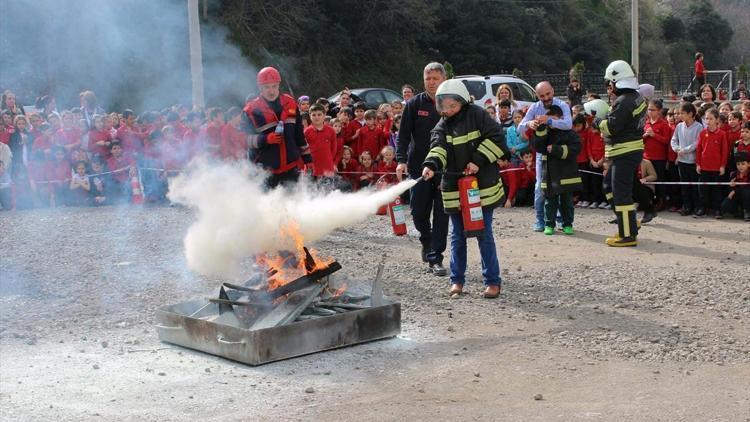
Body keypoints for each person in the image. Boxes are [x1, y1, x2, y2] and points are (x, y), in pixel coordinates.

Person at [421, 79, 508, 298]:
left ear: (463, 101)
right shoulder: (441, 126)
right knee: (457, 236)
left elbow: (497, 138)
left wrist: (477, 160)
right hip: (454, 190)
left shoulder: (478, 115)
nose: (448, 111)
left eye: (453, 106)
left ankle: (492, 281)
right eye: (444, 106)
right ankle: (457, 281)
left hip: (481, 188)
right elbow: (438, 147)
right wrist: (431, 166)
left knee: (483, 233)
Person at [395, 62, 450, 276]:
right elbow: (403, 137)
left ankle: (436, 257)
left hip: (445, 170)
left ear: (444, 79)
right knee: (418, 212)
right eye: (428, 78)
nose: (431, 82)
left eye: (435, 78)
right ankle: (426, 243)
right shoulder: (414, 104)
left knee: (442, 215)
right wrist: (401, 160)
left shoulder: (451, 103)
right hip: (419, 168)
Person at [596, 60, 647, 247]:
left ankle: (627, 235)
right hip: (628, 152)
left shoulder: (623, 102)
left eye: (610, 83)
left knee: (620, 193)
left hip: (625, 153)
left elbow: (611, 128)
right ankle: (630, 222)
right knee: (609, 187)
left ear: (617, 81)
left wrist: (598, 121)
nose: (609, 87)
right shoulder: (635, 97)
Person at [242, 66, 313, 188]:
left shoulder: (290, 103)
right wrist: (266, 139)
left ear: (279, 85)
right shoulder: (250, 110)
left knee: (293, 203)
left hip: (291, 167)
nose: (271, 91)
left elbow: (299, 134)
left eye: (274, 86)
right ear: (260, 87)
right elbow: (243, 140)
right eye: (267, 87)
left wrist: (308, 159)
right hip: (264, 171)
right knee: (268, 206)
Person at [518, 81, 573, 232]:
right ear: (537, 96)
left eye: (548, 94)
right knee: (539, 188)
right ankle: (540, 219)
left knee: (561, 187)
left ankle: (562, 219)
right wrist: (530, 124)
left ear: (553, 91)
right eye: (542, 96)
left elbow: (568, 124)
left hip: (559, 154)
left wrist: (549, 121)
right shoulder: (535, 107)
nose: (546, 98)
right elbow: (520, 126)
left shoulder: (562, 105)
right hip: (542, 156)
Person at [532, 105, 582, 235]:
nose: (550, 122)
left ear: (560, 118)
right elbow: (539, 147)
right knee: (550, 202)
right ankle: (549, 224)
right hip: (549, 174)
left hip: (566, 174)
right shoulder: (546, 132)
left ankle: (567, 224)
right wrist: (540, 130)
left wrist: (556, 150)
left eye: (553, 119)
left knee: (567, 202)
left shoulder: (570, 133)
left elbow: (576, 148)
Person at [671, 102, 704, 216]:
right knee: (684, 185)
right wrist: (676, 148)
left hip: (693, 161)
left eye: (682, 113)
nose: (680, 115)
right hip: (682, 161)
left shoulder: (699, 127)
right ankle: (686, 206)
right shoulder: (679, 126)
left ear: (690, 114)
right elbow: (674, 139)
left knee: (695, 186)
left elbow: (697, 143)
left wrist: (685, 150)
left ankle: (698, 207)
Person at [695, 108, 727, 218]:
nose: (708, 121)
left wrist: (722, 166)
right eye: (706, 118)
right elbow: (699, 149)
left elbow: (724, 152)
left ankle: (717, 209)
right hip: (704, 167)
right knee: (703, 190)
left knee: (716, 190)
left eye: (711, 118)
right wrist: (698, 164)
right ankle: (702, 208)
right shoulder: (703, 133)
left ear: (717, 120)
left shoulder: (722, 134)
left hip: (716, 168)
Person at [643, 99, 672, 210]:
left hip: (659, 157)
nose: (650, 112)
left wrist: (654, 135)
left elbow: (666, 140)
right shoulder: (646, 123)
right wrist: (646, 135)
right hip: (647, 157)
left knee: (659, 180)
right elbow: (641, 140)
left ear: (659, 111)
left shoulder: (664, 124)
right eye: (649, 109)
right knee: (647, 180)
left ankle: (661, 201)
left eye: (653, 110)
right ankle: (649, 201)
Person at [304, 104, 337, 178]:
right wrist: (308, 163)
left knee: (328, 189)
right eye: (314, 115)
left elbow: (334, 149)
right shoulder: (306, 132)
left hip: (327, 168)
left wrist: (329, 161)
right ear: (310, 116)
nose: (317, 117)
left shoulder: (331, 131)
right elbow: (303, 150)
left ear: (324, 115)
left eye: (319, 114)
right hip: (311, 169)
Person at [719, 151, 749, 221]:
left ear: (749, 164)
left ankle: (747, 211)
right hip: (738, 196)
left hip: (747, 196)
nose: (740, 166)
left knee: (746, 192)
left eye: (743, 164)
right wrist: (731, 186)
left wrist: (734, 190)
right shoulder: (733, 174)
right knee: (724, 206)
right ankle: (738, 211)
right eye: (738, 164)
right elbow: (729, 191)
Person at [635, 158, 658, 223]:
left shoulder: (646, 162)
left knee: (639, 190)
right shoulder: (627, 162)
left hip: (646, 187)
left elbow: (654, 176)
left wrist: (645, 179)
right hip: (632, 186)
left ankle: (649, 211)